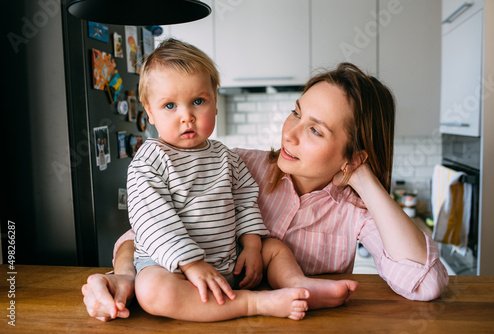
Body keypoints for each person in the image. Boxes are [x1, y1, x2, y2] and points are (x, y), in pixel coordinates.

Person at [82, 59, 449, 322]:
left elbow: (426, 283)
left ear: (353, 155)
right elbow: (140, 231)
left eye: (315, 130)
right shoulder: (237, 163)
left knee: (274, 248)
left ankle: (301, 288)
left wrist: (363, 178)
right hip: (203, 301)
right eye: (296, 112)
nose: (288, 133)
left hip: (293, 320)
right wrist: (125, 276)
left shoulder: (358, 211)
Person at [110, 38, 358, 322]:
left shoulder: (227, 157)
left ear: (215, 102)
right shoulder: (150, 160)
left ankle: (298, 285)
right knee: (152, 290)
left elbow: (246, 202)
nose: (187, 116)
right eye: (170, 106)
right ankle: (254, 304)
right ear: (149, 111)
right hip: (171, 268)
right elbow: (152, 221)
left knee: (274, 248)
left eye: (198, 101)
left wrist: (252, 246)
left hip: (228, 262)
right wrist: (191, 264)